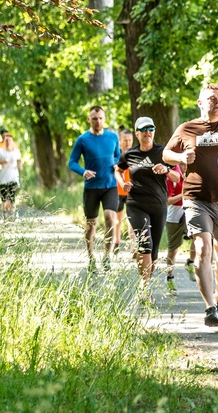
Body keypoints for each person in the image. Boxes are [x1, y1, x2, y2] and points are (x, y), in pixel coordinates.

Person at [162, 83, 218, 326]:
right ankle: (209, 307)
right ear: (200, 103)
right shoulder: (187, 128)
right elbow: (166, 153)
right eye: (211, 99)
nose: (216, 102)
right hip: (195, 197)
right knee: (202, 248)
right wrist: (180, 157)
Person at [116, 117, 171, 296]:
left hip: (159, 204)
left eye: (150, 128)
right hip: (136, 204)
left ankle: (146, 280)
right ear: (137, 133)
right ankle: (144, 287)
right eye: (143, 129)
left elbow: (178, 172)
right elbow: (118, 169)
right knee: (144, 243)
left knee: (153, 249)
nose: (147, 132)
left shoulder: (163, 152)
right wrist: (123, 184)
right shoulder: (129, 154)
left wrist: (167, 170)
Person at [68, 106, 121, 272]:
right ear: (89, 120)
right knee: (91, 225)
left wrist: (117, 164)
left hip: (110, 185)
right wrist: (83, 172)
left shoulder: (113, 137)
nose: (98, 121)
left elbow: (118, 155)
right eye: (94, 118)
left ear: (104, 119)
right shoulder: (83, 140)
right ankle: (91, 257)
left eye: (100, 118)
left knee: (110, 218)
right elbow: (72, 162)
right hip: (91, 187)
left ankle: (107, 256)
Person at [165, 165, 186, 293]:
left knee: (200, 239)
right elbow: (167, 201)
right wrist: (183, 195)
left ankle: (190, 263)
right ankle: (170, 276)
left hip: (191, 211)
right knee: (173, 249)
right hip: (174, 215)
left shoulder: (194, 173)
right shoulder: (170, 177)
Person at [115, 128, 135, 255]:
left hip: (131, 192)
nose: (127, 143)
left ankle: (133, 247)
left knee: (132, 220)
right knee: (117, 220)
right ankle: (116, 241)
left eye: (129, 140)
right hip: (116, 191)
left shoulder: (135, 154)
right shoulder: (115, 155)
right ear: (120, 141)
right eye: (125, 140)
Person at [0, 132, 23, 217]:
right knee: (3, 198)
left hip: (13, 177)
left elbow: (20, 159)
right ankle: (4, 216)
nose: (8, 142)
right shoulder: (0, 151)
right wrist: (2, 162)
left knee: (12, 196)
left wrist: (20, 165)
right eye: (6, 140)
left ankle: (13, 215)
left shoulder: (16, 151)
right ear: (4, 141)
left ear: (12, 141)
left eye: (9, 140)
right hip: (3, 177)